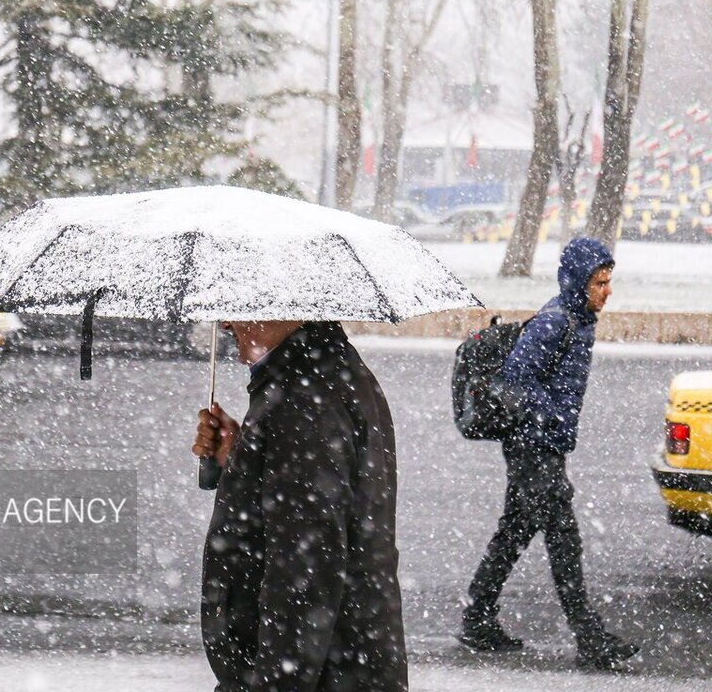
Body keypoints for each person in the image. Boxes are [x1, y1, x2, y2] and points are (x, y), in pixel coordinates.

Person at [192, 320, 408, 692]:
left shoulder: (300, 400)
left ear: (284, 306)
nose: (226, 323)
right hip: (346, 665)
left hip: (318, 675)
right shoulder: (322, 374)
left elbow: (305, 576)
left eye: (238, 306)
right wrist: (240, 457)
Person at [459, 236, 639, 670]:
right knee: (564, 541)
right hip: (532, 449)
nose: (607, 291)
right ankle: (589, 636)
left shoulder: (577, 320)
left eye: (609, 281)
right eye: (599, 283)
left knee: (515, 532)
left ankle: (476, 618)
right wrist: (552, 419)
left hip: (541, 447)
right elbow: (512, 382)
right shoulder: (554, 322)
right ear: (579, 282)